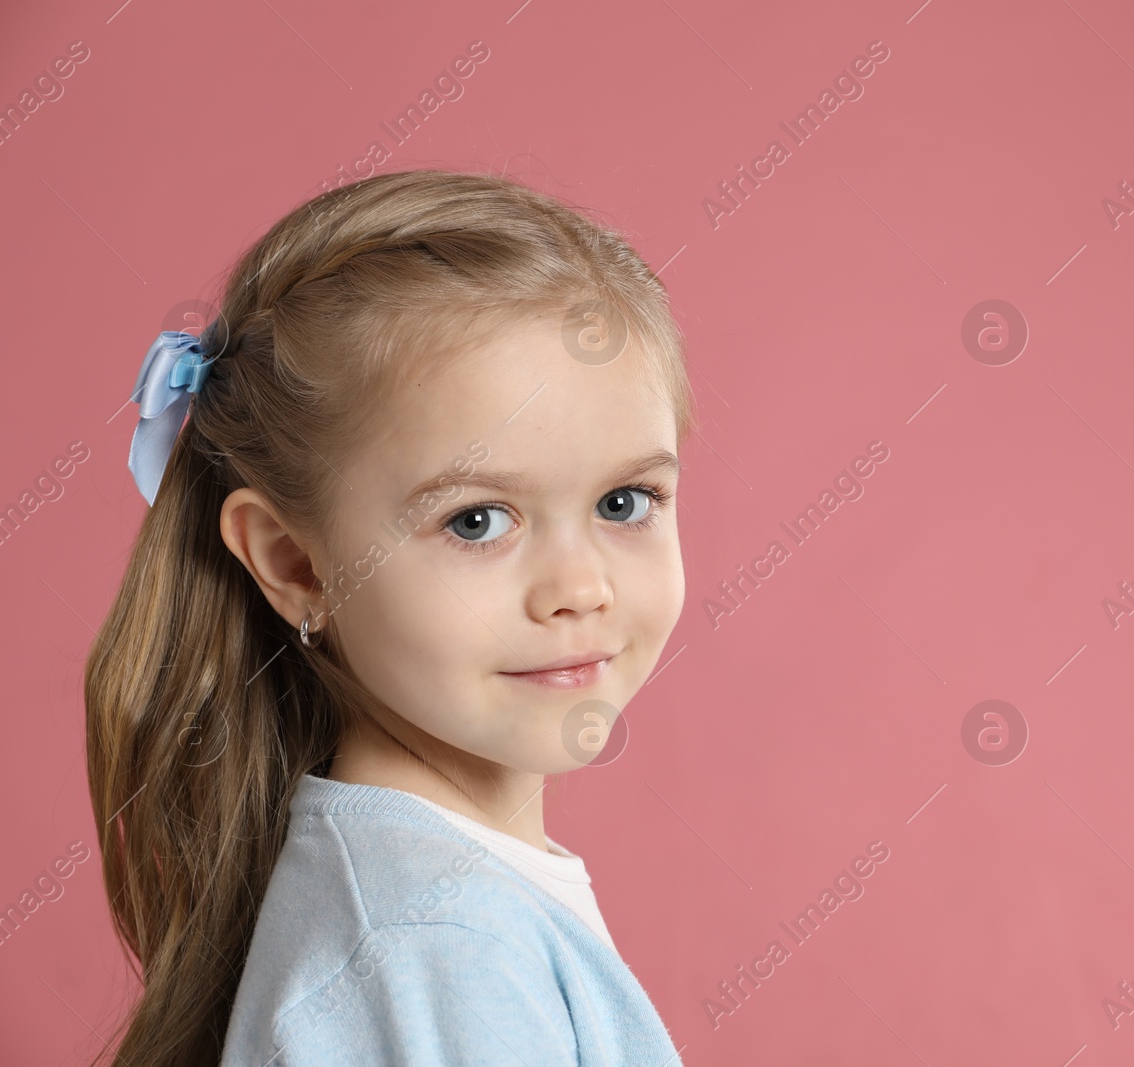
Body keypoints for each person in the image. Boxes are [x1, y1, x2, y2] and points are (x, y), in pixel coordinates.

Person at [83, 169, 695, 1066]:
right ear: (296, 564)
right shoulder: (437, 945)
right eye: (477, 520)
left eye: (624, 501)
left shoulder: (440, 908)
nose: (580, 587)